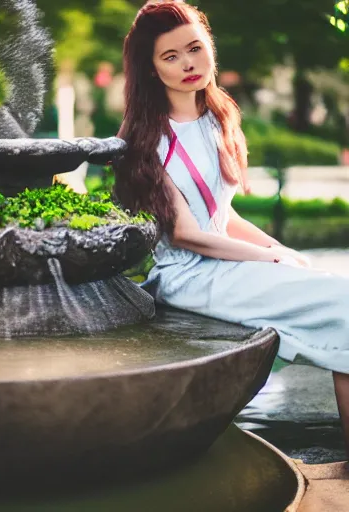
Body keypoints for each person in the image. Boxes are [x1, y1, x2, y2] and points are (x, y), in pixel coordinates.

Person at [113, 0, 349, 464]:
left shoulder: (219, 117)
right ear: (152, 68)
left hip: (227, 263)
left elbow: (224, 216)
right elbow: (184, 234)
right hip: (190, 276)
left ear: (210, 51)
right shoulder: (146, 139)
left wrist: (279, 248)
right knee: (342, 304)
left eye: (195, 49)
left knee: (341, 307)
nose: (188, 64)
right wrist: (266, 259)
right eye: (171, 56)